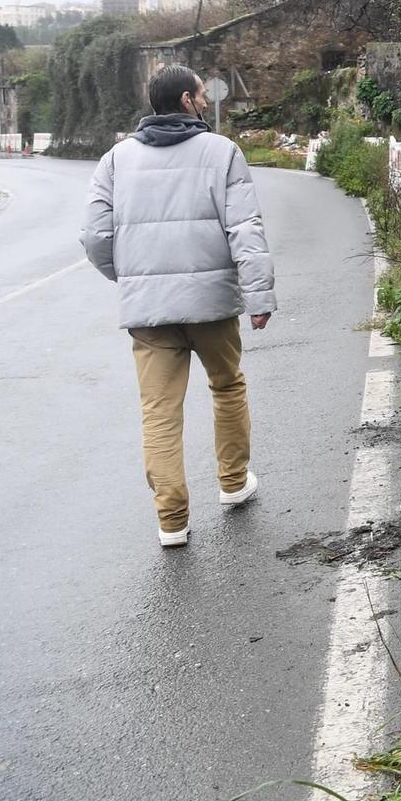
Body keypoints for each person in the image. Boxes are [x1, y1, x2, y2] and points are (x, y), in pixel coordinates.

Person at [81, 65, 277, 548]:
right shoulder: (222, 152)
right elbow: (244, 229)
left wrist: (130, 279)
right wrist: (258, 295)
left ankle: (172, 521)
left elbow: (95, 236)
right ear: (187, 101)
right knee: (227, 386)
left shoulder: (115, 160)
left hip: (150, 315)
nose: (205, 103)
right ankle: (233, 483)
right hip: (212, 308)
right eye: (200, 96)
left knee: (159, 412)